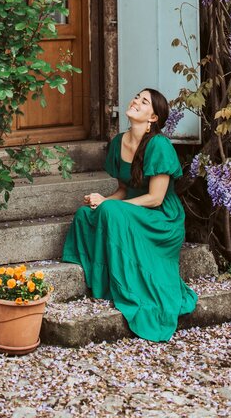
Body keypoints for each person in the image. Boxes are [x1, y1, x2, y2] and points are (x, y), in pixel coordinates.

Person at [61, 87, 198, 342]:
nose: (136, 100)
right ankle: (103, 282)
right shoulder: (118, 142)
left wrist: (113, 207)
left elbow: (155, 198)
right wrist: (103, 200)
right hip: (135, 209)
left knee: (111, 211)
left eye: (144, 101)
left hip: (161, 219)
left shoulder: (159, 144)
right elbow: (124, 190)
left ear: (153, 118)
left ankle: (131, 286)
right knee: (85, 215)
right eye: (137, 96)